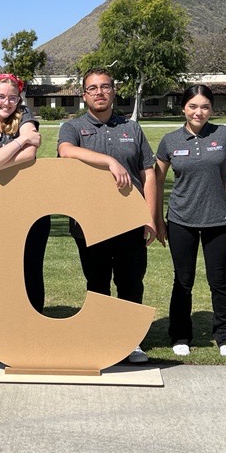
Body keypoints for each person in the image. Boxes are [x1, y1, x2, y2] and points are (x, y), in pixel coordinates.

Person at [155, 84, 226, 358]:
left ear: (211, 109)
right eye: (193, 106)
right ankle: (180, 334)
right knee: (183, 280)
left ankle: (225, 334)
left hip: (218, 218)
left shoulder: (225, 134)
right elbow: (156, 181)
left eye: (204, 107)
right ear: (183, 107)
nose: (198, 112)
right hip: (181, 218)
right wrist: (157, 218)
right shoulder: (170, 141)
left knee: (219, 280)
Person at [57, 67, 158, 364]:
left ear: (114, 91)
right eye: (93, 88)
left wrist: (150, 216)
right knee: (97, 283)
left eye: (105, 87)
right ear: (83, 94)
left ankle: (130, 341)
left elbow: (148, 173)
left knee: (130, 282)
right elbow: (65, 152)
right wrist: (110, 161)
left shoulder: (132, 128)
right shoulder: (73, 128)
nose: (99, 92)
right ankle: (99, 339)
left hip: (129, 219)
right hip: (90, 221)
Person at [0, 72, 50, 313]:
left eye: (13, 97)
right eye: (1, 96)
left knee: (31, 268)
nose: (7, 102)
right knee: (1, 269)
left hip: (32, 207)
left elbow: (30, 155)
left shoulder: (24, 115)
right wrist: (20, 141)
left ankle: (33, 326)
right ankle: (4, 328)